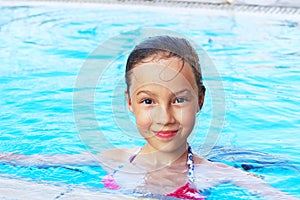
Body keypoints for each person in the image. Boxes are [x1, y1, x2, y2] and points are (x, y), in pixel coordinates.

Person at [0, 36, 298, 200]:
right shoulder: (114, 158)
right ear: (130, 103)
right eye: (148, 101)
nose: (164, 117)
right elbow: (34, 162)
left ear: (201, 100)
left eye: (179, 100)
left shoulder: (220, 175)